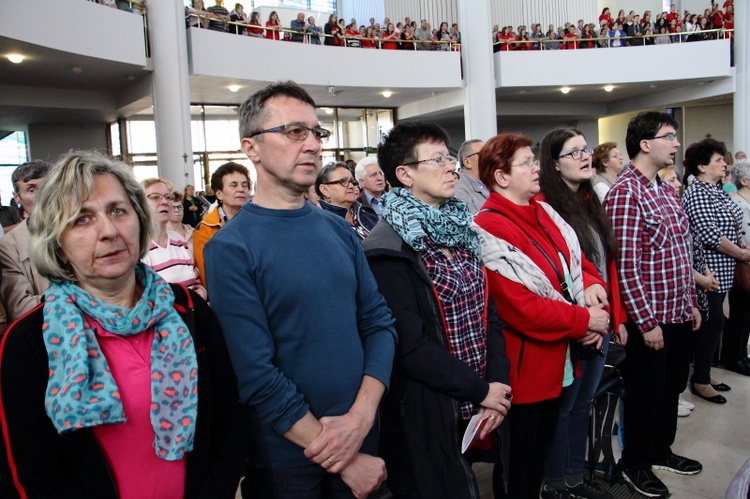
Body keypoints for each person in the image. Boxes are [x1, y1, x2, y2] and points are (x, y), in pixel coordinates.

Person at [0, 151, 244, 498]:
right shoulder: (28, 341)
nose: (109, 231)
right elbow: (31, 474)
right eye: (82, 219)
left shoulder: (187, 309)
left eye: (118, 211)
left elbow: (228, 423)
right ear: (57, 241)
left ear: (139, 219)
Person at [203, 81, 397, 499]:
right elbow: (256, 375)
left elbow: (378, 323)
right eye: (294, 132)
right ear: (251, 147)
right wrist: (343, 455)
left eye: (316, 133)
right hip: (288, 462)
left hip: (363, 434)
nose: (311, 144)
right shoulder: (230, 248)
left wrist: (361, 419)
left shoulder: (337, 229)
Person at [362, 121, 512, 498]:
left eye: (450, 158)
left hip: (480, 391)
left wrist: (496, 383)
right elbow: (409, 346)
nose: (452, 167)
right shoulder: (387, 247)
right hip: (427, 407)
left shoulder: (460, 228)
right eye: (439, 159)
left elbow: (488, 313)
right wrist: (480, 390)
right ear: (405, 174)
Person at [473, 133, 609, 499]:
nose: (537, 169)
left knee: (540, 451)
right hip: (526, 366)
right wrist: (586, 321)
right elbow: (522, 308)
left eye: (535, 161)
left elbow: (576, 261)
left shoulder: (543, 211)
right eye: (527, 163)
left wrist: (594, 289)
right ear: (501, 177)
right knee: (521, 461)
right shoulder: (490, 226)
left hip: (558, 357)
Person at [602, 112, 703, 498]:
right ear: (645, 144)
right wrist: (645, 322)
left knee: (672, 386)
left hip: (678, 311)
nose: (677, 144)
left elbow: (681, 251)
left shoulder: (662, 188)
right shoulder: (626, 193)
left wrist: (691, 303)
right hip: (653, 317)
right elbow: (626, 265)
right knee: (646, 393)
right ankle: (636, 464)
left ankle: (661, 451)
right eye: (669, 136)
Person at [538, 128, 627, 499]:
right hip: (575, 323)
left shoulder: (591, 200)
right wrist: (584, 322)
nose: (585, 156)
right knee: (565, 407)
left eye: (585, 149)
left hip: (602, 318)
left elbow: (607, 266)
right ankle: (557, 481)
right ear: (554, 165)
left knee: (584, 405)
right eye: (574, 153)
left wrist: (616, 318)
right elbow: (552, 277)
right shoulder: (545, 206)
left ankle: (575, 476)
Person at [681, 139, 748, 403]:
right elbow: (710, 235)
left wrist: (740, 242)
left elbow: (729, 223)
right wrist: (743, 253)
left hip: (723, 269)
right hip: (707, 271)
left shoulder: (714, 190)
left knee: (716, 323)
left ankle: (704, 373)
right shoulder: (696, 192)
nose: (725, 164)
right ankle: (700, 380)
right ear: (701, 165)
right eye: (719, 160)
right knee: (712, 323)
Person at [0, 160, 51, 322]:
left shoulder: (82, 231)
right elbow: (20, 307)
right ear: (17, 198)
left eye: (48, 188)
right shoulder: (9, 246)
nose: (42, 196)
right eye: (32, 190)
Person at [141, 179, 207, 301]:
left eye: (168, 197)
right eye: (155, 197)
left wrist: (200, 298)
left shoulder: (178, 240)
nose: (164, 201)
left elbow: (196, 280)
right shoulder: (139, 248)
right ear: (140, 203)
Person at [193, 162, 251, 286]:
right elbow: (207, 272)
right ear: (219, 194)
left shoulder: (258, 223)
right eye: (233, 185)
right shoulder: (205, 228)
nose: (241, 189)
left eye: (244, 185)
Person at [723, 159, 750, 376]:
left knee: (747, 314)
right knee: (740, 313)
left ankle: (742, 353)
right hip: (742, 264)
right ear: (744, 181)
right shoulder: (737, 203)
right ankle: (734, 356)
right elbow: (739, 236)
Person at [315, 162, 377, 241]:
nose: (351, 186)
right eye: (343, 181)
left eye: (351, 181)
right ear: (325, 190)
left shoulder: (367, 215)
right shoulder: (321, 224)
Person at [454, 139, 488, 214]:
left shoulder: (494, 184)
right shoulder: (459, 192)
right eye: (483, 153)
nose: (489, 157)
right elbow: (473, 223)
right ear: (467, 162)